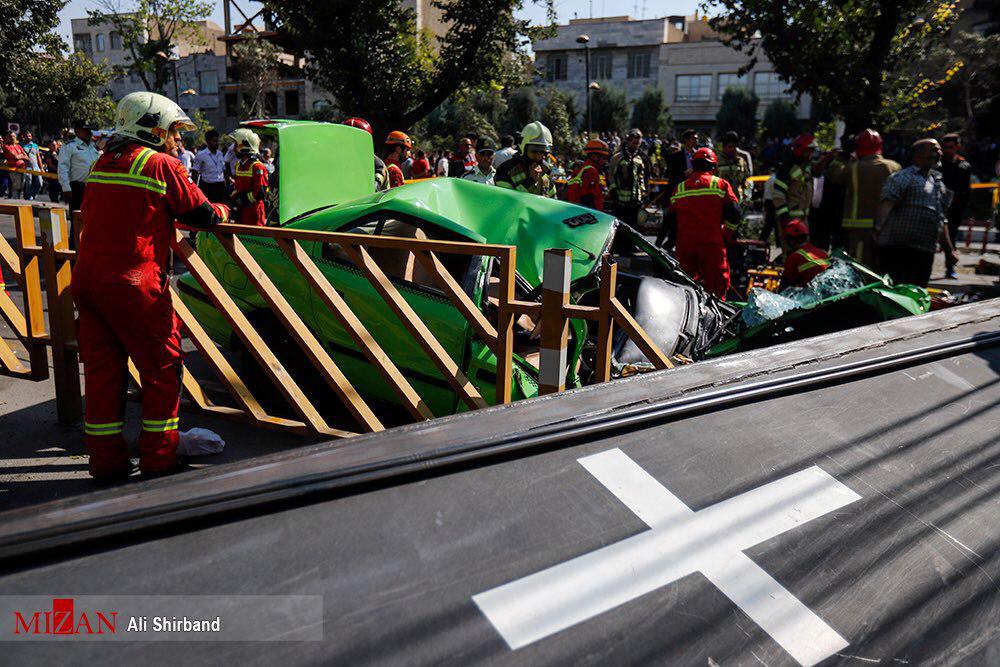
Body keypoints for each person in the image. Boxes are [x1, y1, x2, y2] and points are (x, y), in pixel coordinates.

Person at [72, 91, 230, 481]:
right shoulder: (161, 165)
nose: (179, 141)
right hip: (134, 284)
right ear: (152, 129)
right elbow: (202, 214)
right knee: (162, 369)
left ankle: (106, 463)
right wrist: (225, 210)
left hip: (89, 281)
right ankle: (159, 458)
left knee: (103, 373)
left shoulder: (103, 161)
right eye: (174, 132)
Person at [876, 138, 957, 288]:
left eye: (939, 150)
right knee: (893, 292)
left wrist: (949, 251)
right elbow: (886, 205)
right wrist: (877, 232)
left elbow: (941, 219)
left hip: (925, 252)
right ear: (918, 155)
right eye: (934, 150)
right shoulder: (903, 177)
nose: (939, 153)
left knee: (917, 295)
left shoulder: (938, 184)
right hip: (898, 250)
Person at [663, 147, 740, 299]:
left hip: (685, 246)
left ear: (693, 165)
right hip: (712, 245)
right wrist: (727, 234)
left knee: (684, 289)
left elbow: (669, 218)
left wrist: (675, 240)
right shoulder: (720, 185)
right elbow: (735, 213)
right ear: (713, 166)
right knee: (717, 290)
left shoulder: (680, 188)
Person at [823, 129, 900, 267]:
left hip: (858, 229)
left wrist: (838, 158)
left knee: (860, 266)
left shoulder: (853, 168)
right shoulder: (894, 167)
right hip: (888, 227)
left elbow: (834, 176)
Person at [772, 133, 817, 252]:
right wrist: (785, 220)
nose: (810, 154)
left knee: (803, 256)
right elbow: (778, 195)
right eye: (808, 151)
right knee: (791, 255)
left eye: (812, 151)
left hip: (803, 220)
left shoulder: (805, 168)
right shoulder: (787, 168)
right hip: (790, 221)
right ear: (801, 150)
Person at [939, 133, 971, 279]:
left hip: (954, 210)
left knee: (950, 238)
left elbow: (965, 192)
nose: (947, 150)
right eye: (944, 147)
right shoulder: (937, 165)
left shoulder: (963, 166)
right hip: (937, 207)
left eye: (950, 147)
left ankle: (950, 267)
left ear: (957, 147)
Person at [495, 121, 556, 198]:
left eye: (544, 153)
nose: (539, 156)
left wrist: (540, 181)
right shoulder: (505, 170)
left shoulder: (546, 170)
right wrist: (531, 181)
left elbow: (553, 201)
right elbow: (506, 201)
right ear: (523, 147)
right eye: (534, 151)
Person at [607, 128, 650, 227]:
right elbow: (610, 176)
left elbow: (641, 178)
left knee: (634, 228)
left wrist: (643, 193)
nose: (636, 145)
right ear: (628, 141)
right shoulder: (617, 157)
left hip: (635, 201)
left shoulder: (640, 159)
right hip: (620, 202)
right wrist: (613, 192)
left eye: (638, 143)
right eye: (634, 142)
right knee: (620, 230)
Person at [229, 128, 269, 226]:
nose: (234, 149)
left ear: (245, 146)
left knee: (255, 239)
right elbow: (239, 186)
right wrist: (233, 196)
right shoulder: (239, 165)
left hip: (254, 213)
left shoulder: (257, 167)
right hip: (241, 211)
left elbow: (260, 192)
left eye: (236, 145)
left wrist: (243, 199)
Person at [778, 219, 831, 290]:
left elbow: (784, 286)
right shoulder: (823, 253)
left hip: (812, 295)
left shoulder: (794, 257)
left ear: (791, 240)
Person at [58, 122, 100, 210]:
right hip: (77, 187)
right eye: (85, 130)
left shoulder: (93, 147)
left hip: (93, 187)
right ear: (77, 131)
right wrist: (66, 187)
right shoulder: (69, 146)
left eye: (89, 130)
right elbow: (63, 167)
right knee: (77, 219)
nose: (89, 132)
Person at [343, 117, 388, 191]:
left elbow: (372, 190)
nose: (350, 144)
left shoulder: (377, 166)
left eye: (355, 140)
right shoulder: (338, 161)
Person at [566, 138, 609, 211]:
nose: (605, 161)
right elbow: (592, 199)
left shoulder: (583, 169)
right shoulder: (591, 171)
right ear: (594, 156)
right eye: (603, 158)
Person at [190, 129, 229, 204]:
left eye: (218, 141)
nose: (217, 143)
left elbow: (223, 170)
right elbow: (195, 172)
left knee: (222, 209)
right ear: (208, 142)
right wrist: (194, 190)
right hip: (208, 187)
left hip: (221, 186)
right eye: (214, 141)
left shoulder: (220, 154)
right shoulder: (201, 155)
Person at [716, 131, 752, 204]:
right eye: (729, 147)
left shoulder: (741, 161)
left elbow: (746, 180)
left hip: (738, 200)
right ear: (724, 147)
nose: (732, 149)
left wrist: (747, 196)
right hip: (722, 200)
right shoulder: (717, 161)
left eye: (734, 147)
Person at [666, 129, 698, 194]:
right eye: (693, 138)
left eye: (696, 138)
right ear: (686, 140)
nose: (696, 141)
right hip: (682, 189)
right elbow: (670, 174)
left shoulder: (699, 155)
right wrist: (684, 174)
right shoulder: (675, 157)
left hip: (697, 188)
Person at [2, 131, 28, 199]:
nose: (12, 138)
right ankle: (14, 201)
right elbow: (15, 156)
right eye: (10, 136)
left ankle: (16, 201)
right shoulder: (6, 146)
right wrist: (22, 156)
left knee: (20, 188)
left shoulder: (18, 146)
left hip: (22, 169)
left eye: (13, 136)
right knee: (15, 188)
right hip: (13, 170)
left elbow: (26, 157)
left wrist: (19, 156)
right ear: (7, 137)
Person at [20, 131, 42, 200]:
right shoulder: (20, 145)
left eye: (29, 136)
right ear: (24, 136)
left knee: (40, 183)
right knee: (28, 184)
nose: (28, 137)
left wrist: (41, 168)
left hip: (36, 167)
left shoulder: (35, 145)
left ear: (31, 137)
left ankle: (32, 195)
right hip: (26, 167)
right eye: (26, 136)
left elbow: (38, 157)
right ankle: (28, 197)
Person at [44, 139, 63, 203]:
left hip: (61, 174)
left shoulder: (60, 152)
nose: (55, 146)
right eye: (53, 145)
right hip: (52, 174)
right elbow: (50, 165)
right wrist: (59, 170)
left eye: (55, 144)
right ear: (49, 146)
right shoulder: (48, 154)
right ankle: (54, 202)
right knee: (53, 189)